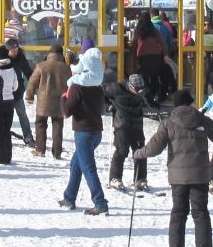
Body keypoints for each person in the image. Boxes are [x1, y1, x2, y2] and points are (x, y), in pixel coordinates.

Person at [136, 88, 213, 247]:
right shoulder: (202, 119)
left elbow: (154, 148)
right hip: (200, 176)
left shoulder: (168, 123)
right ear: (190, 103)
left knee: (178, 212)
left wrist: (139, 153)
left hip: (178, 177)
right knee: (200, 212)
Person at [60, 46, 110, 215]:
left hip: (84, 132)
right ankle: (69, 197)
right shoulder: (98, 86)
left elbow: (66, 112)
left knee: (88, 168)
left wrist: (62, 99)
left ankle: (100, 202)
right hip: (96, 131)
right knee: (76, 164)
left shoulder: (77, 86)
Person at [104, 73, 150, 192]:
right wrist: (109, 105)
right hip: (122, 124)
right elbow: (102, 92)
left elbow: (147, 98)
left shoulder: (142, 90)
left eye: (142, 89)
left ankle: (140, 179)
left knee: (140, 151)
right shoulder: (116, 89)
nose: (140, 92)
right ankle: (115, 178)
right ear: (130, 86)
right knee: (121, 151)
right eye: (137, 89)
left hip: (137, 123)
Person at [25, 45, 71, 158]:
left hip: (43, 101)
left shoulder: (41, 66)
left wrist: (29, 96)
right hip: (60, 101)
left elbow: (32, 82)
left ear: (49, 53)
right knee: (58, 126)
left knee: (40, 124)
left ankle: (40, 149)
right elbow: (70, 85)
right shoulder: (66, 68)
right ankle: (57, 152)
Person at [3, 37, 35, 146]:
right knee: (5, 116)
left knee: (22, 115)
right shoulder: (2, 58)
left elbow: (28, 71)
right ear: (7, 50)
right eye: (13, 51)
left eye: (16, 50)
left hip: (17, 92)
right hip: (4, 93)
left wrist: (34, 82)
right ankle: (1, 135)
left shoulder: (20, 57)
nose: (15, 53)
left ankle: (28, 137)